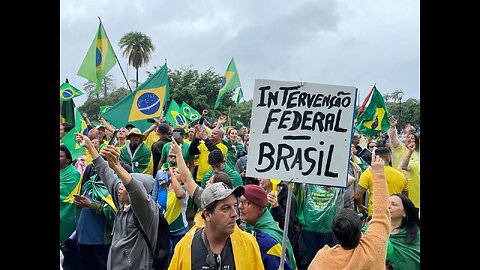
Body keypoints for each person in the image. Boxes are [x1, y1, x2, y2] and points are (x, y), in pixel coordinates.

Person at [75, 133, 159, 269]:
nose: (120, 186)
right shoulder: (122, 203)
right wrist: (90, 146)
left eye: (124, 185)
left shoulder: (147, 211)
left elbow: (135, 190)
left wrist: (118, 167)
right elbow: (106, 174)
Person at [308, 152, 390, 270]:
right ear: (361, 229)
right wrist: (378, 174)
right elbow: (381, 213)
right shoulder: (374, 248)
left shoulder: (323, 259)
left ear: (335, 234)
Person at [168, 182, 264, 269]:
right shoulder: (185, 246)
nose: (234, 213)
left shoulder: (249, 244)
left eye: (235, 206)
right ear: (207, 215)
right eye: (226, 208)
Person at [239, 184, 297, 270]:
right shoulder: (256, 228)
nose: (240, 206)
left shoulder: (266, 241)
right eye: (240, 201)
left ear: (260, 208)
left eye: (247, 203)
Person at [354, 146, 408, 218]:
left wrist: (360, 206)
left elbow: (357, 196)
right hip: (394, 215)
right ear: (388, 158)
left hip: (375, 214)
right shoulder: (401, 175)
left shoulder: (369, 172)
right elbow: (405, 197)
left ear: (374, 158)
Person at [259, 178, 299, 257]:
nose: (259, 179)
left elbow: (289, 227)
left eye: (263, 176)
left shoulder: (289, 198)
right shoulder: (264, 193)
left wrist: (276, 207)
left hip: (280, 247)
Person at [60, 144, 82, 270]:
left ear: (68, 159)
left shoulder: (73, 174)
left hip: (65, 214)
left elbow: (63, 192)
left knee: (68, 253)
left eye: (60, 156)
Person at [386, 194, 420, 270]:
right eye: (387, 203)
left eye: (393, 204)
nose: (388, 207)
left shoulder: (417, 236)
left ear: (405, 212)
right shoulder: (370, 228)